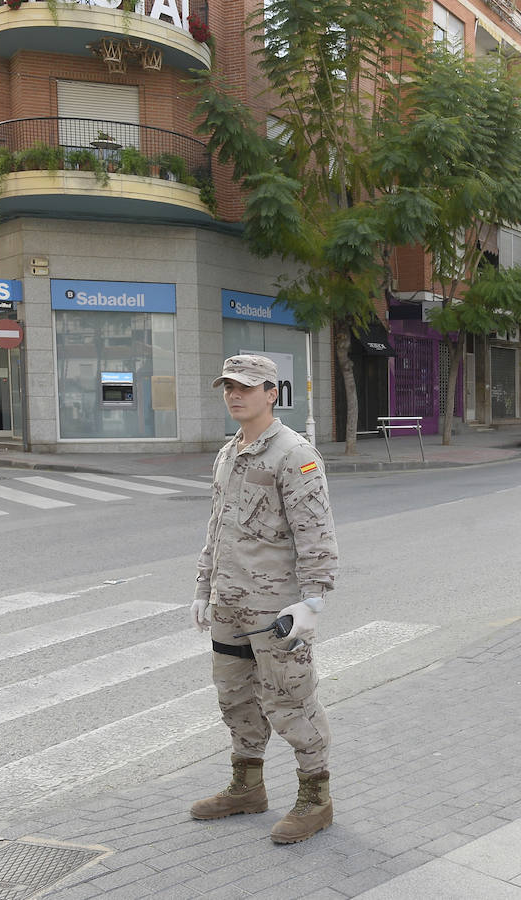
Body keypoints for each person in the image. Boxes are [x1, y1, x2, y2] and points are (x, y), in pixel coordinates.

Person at [189, 354, 339, 844]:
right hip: (230, 605)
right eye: (229, 386)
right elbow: (217, 529)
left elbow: (316, 535)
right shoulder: (229, 453)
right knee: (233, 698)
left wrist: (312, 603)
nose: (235, 394)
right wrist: (203, 588)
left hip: (276, 610)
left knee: (290, 701)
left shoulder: (295, 454)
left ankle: (316, 798)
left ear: (272, 393)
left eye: (247, 387)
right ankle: (247, 786)